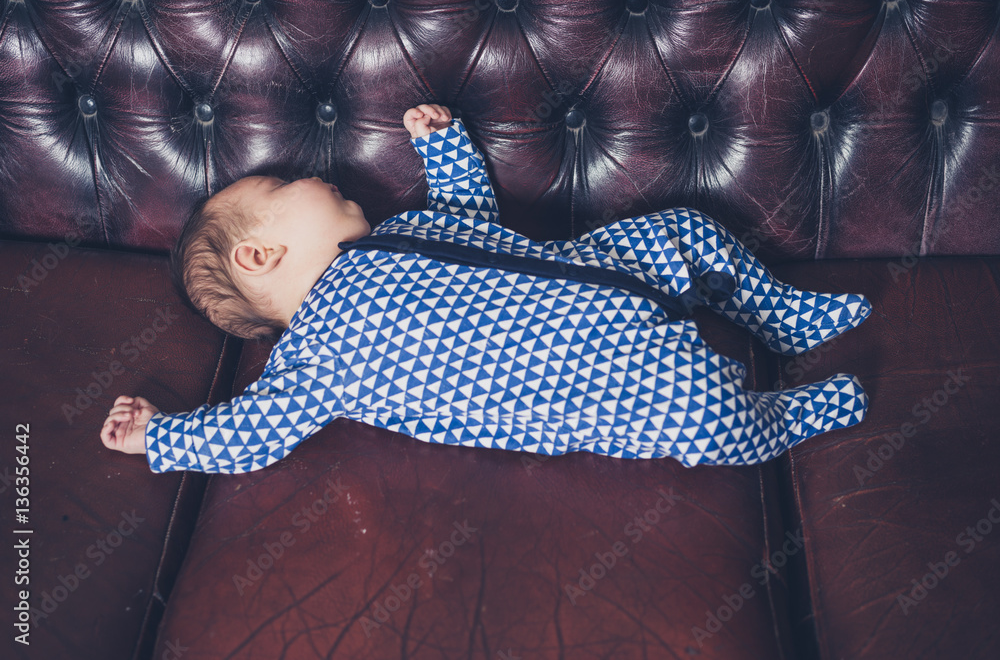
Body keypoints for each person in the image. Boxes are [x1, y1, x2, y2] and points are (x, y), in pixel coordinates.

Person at [101, 104, 871, 473]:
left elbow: (470, 219)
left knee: (686, 230)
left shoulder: (404, 231)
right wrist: (160, 435)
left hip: (606, 267)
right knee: (712, 425)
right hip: (604, 381)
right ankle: (787, 416)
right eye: (286, 182)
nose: (315, 174)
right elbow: (248, 435)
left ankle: (784, 319)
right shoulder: (315, 359)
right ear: (262, 256)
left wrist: (444, 149)